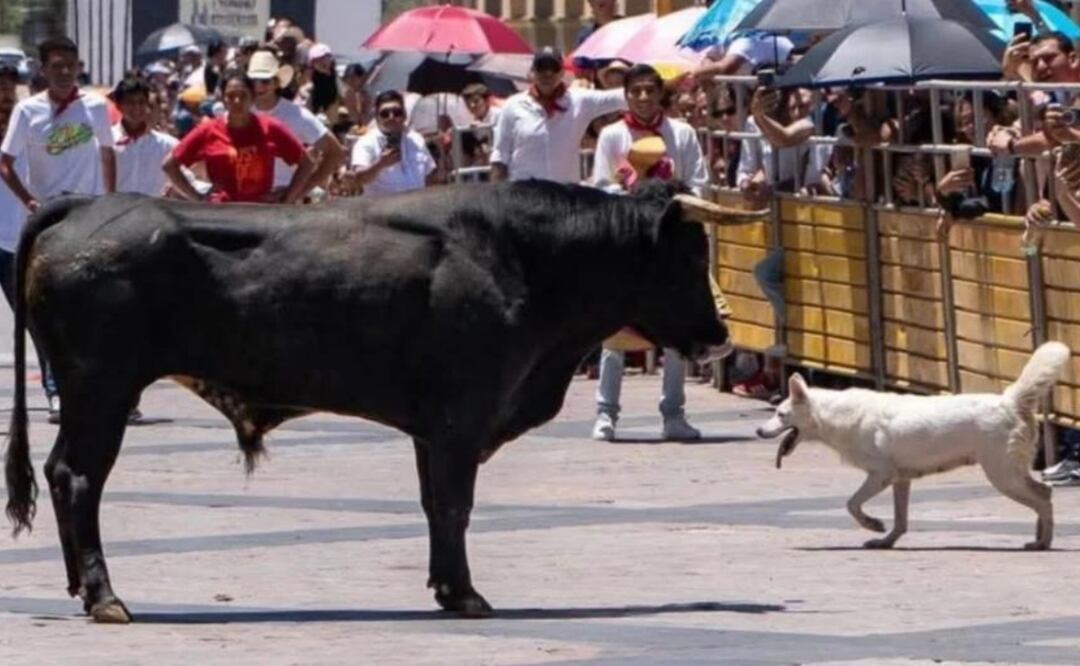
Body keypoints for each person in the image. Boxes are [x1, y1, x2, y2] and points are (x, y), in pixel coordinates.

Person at [589, 64, 726, 442]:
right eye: (636, 91)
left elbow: (698, 183)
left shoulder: (680, 133)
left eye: (650, 90)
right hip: (627, 245)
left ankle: (673, 413)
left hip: (670, 247)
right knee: (615, 331)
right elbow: (600, 189)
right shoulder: (612, 136)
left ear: (660, 94)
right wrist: (626, 187)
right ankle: (606, 414)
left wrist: (671, 198)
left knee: (675, 329)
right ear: (627, 95)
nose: (644, 98)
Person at [0, 36, 117, 422]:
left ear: (78, 65)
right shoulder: (27, 111)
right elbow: (5, 162)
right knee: (43, 313)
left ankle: (91, 386)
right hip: (42, 227)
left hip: (87, 219)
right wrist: (30, 201)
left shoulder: (96, 107)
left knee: (89, 309)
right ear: (43, 69)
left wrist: (110, 201)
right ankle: (56, 389)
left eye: (70, 64)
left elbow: (107, 151)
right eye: (56, 65)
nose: (64, 71)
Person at [162, 72, 314, 204]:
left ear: (253, 97)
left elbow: (306, 163)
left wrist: (289, 197)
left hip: (261, 217)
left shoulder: (271, 128)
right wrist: (197, 198)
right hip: (221, 217)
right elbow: (169, 165)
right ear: (222, 99)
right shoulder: (207, 130)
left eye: (243, 95)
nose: (237, 101)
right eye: (231, 96)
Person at [491, 48, 626, 183]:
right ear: (533, 72)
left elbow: (623, 97)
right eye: (541, 68)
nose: (547, 74)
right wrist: (496, 196)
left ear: (562, 72)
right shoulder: (513, 105)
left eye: (553, 68)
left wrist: (642, 72)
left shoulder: (580, 100)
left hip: (565, 195)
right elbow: (500, 154)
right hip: (525, 194)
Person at [248, 49, 344, 196]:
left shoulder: (296, 115)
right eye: (253, 81)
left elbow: (335, 153)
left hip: (281, 201)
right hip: (245, 200)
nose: (258, 86)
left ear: (276, 82)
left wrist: (299, 192)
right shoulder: (238, 113)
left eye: (265, 81)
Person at [349, 90, 436, 197]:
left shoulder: (417, 139)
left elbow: (430, 176)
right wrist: (380, 164)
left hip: (416, 208)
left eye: (397, 112)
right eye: (385, 114)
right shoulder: (366, 143)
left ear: (404, 115)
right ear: (376, 117)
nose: (391, 117)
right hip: (382, 211)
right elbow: (358, 179)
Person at [111, 77, 179, 196]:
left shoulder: (167, 145)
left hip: (153, 212)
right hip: (115, 211)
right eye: (130, 102)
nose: (136, 107)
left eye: (141, 102)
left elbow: (187, 177)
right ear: (119, 105)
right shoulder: (106, 141)